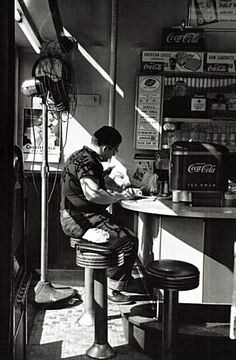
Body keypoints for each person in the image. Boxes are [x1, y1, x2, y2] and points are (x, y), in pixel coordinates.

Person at [60, 125, 138, 304]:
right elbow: (92, 193)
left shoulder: (80, 156)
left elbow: (90, 184)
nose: (113, 154)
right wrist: (119, 196)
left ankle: (120, 278)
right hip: (79, 221)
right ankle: (113, 287)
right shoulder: (88, 162)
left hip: (77, 216)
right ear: (105, 148)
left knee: (125, 234)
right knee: (130, 241)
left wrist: (114, 184)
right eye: (114, 150)